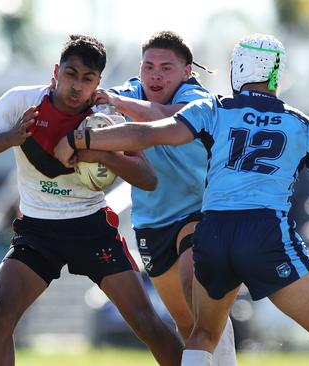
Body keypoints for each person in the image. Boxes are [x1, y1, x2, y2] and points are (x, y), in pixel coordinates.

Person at [55, 33, 309, 366]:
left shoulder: (213, 108)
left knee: (202, 334)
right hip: (266, 234)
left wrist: (82, 142)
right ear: (278, 75)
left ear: (236, 68)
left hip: (214, 234)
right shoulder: (301, 124)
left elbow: (147, 133)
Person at [0, 34, 183, 366]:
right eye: (71, 74)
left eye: (87, 79)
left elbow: (147, 178)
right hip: (37, 230)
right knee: (0, 312)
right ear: (56, 72)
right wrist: (10, 137)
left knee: (146, 322)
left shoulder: (105, 116)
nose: (77, 86)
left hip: (92, 229)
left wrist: (100, 153)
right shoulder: (22, 101)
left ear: (98, 84)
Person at [90, 30, 236, 364]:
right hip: (152, 222)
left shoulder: (198, 99)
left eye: (166, 67)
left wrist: (114, 103)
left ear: (186, 71)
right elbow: (100, 102)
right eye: (149, 66)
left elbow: (160, 117)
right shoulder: (127, 92)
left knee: (199, 298)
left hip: (199, 213)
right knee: (185, 322)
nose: (155, 74)